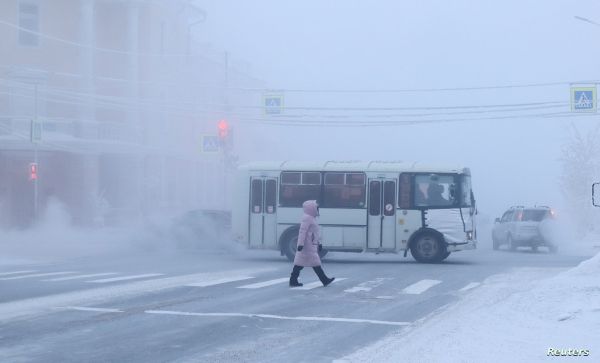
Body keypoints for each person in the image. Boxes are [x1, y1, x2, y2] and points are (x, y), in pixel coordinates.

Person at [289, 200, 335, 287]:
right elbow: (302, 231)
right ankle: (324, 280)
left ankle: (293, 280)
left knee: (300, 264)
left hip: (310, 245)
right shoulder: (307, 218)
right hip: (307, 245)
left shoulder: (311, 218)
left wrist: (319, 243)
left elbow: (315, 233)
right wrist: (300, 244)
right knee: (314, 263)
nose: (317, 209)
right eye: (316, 208)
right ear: (311, 208)